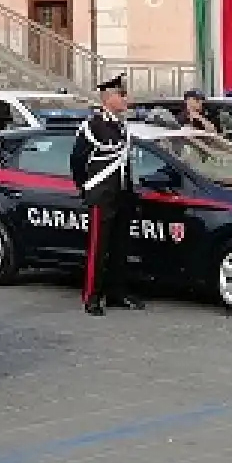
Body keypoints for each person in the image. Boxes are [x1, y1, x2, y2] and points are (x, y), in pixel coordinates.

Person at [71, 73, 145, 317]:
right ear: (108, 97)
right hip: (101, 194)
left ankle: (116, 291)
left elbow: (125, 162)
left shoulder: (121, 125)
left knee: (119, 246)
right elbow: (78, 160)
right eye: (121, 94)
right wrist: (86, 188)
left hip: (121, 194)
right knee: (98, 248)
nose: (126, 99)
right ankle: (91, 296)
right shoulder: (94, 124)